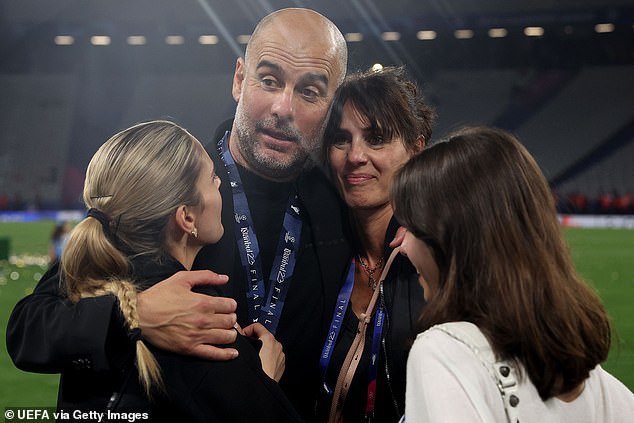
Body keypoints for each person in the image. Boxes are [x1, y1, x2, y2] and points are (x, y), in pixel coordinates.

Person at [7, 8, 351, 420]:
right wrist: (132, 316)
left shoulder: (342, 202)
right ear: (240, 79)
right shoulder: (165, 190)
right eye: (270, 80)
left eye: (310, 91)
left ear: (333, 105)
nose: (284, 107)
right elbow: (30, 329)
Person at [56, 119, 301, 421]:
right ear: (186, 217)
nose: (220, 183)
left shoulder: (86, 299)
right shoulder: (204, 330)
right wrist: (261, 383)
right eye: (212, 178)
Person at [393, 126, 634, 422]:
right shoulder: (593, 380)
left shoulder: (443, 352)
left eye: (413, 230)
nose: (403, 246)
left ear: (453, 241)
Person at [317, 66, 436, 423]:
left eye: (377, 138)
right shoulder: (314, 252)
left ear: (416, 150)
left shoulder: (440, 258)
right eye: (341, 138)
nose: (355, 156)